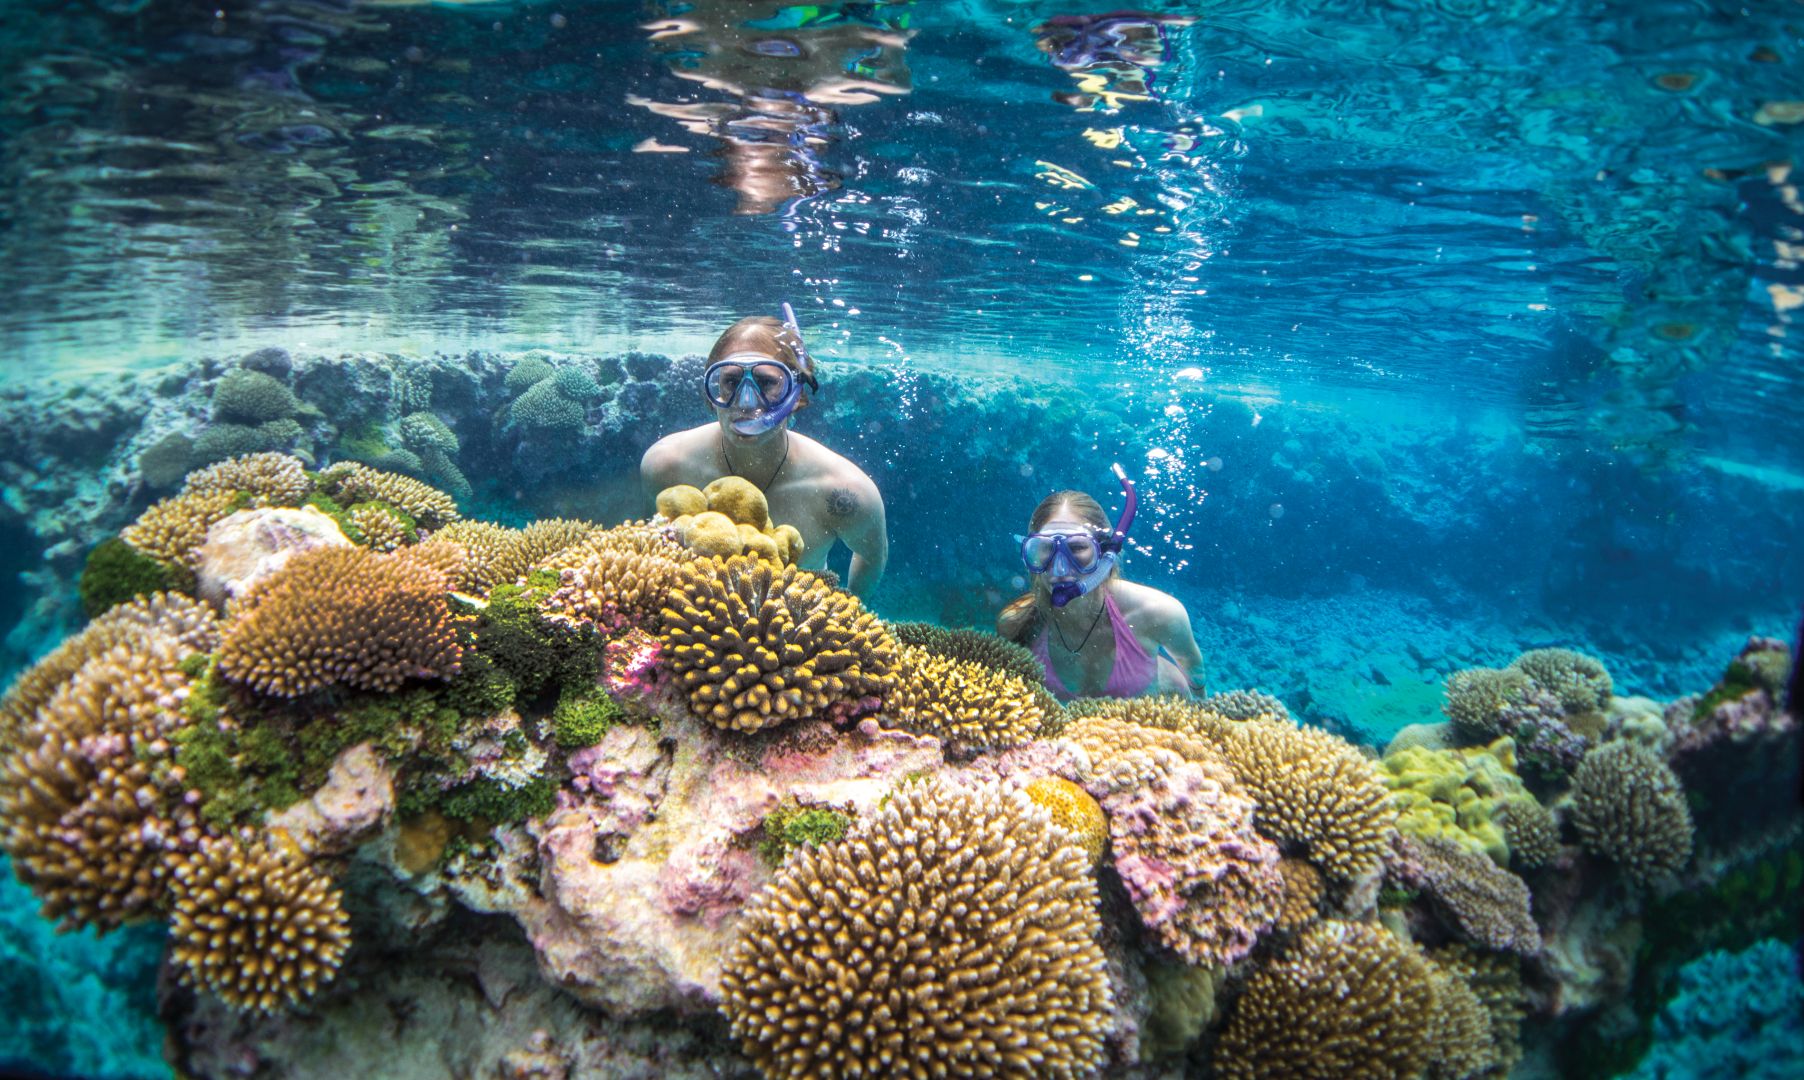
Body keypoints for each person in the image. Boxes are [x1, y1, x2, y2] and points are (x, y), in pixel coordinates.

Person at [640, 305, 889, 596]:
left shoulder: (845, 491)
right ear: (713, 390)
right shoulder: (666, 465)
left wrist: (848, 616)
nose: (746, 403)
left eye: (767, 382)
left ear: (796, 395)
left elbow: (873, 556)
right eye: (731, 381)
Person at [998, 465, 1206, 699]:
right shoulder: (1017, 624)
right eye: (1044, 549)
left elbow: (1196, 678)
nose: (1060, 569)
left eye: (1077, 547)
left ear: (1106, 554)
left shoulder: (1159, 613)